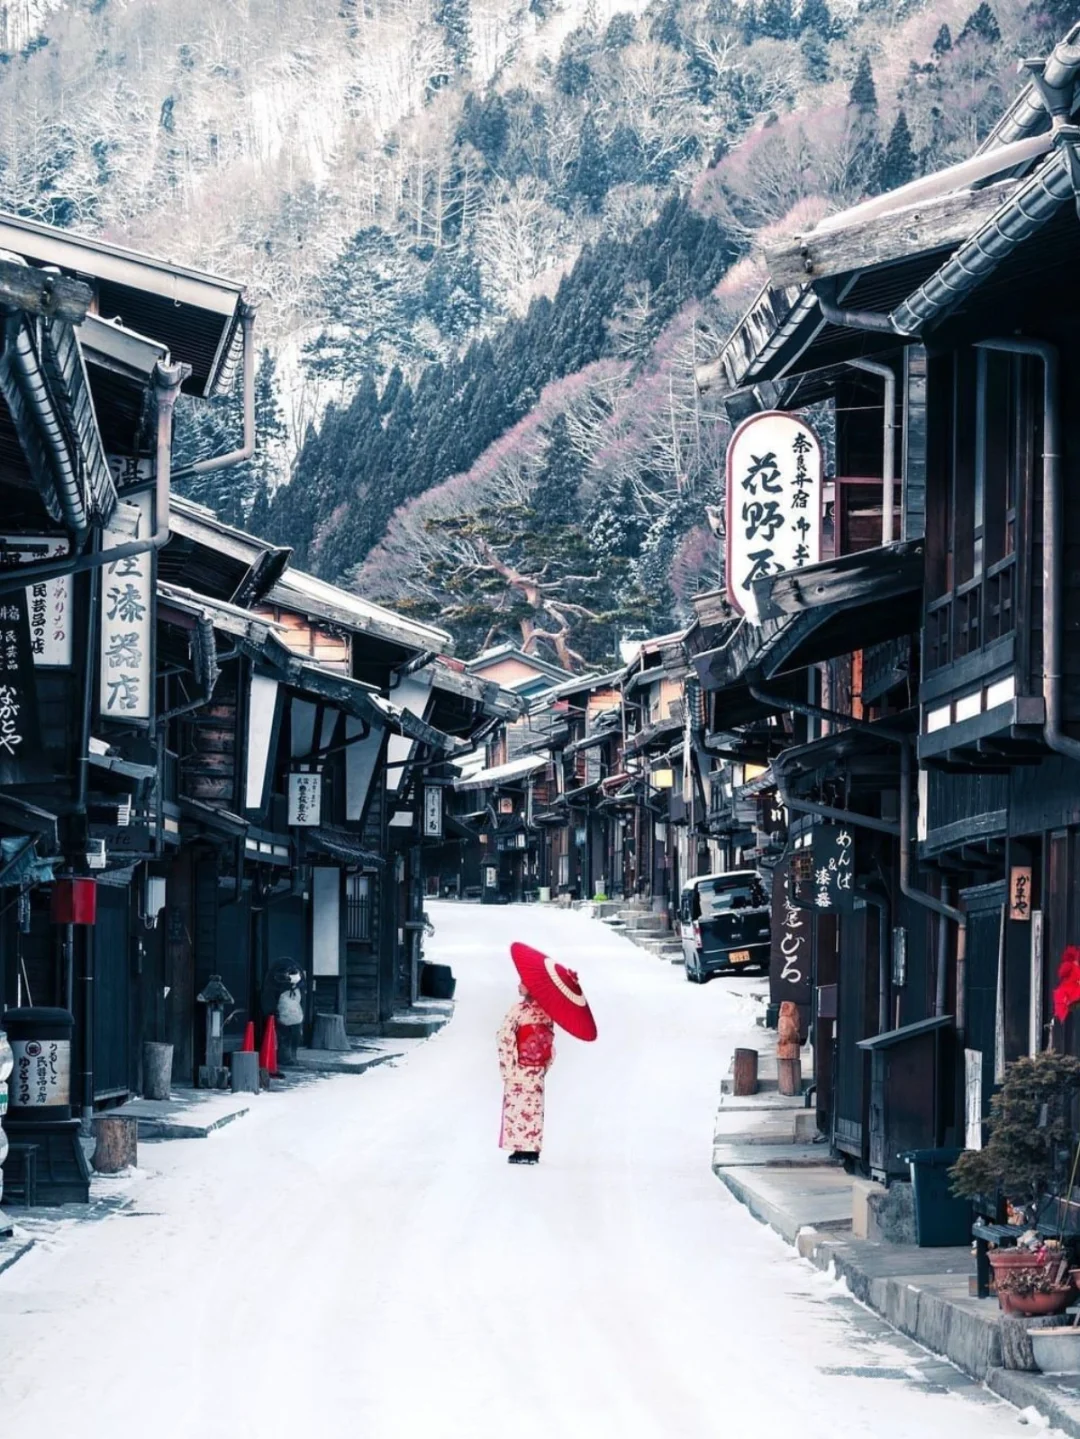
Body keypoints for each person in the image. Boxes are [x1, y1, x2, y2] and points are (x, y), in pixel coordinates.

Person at [496, 982, 556, 1165]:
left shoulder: (518, 1010)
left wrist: (508, 1065)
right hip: (536, 1067)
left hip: (519, 1065)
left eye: (523, 983)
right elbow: (549, 1040)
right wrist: (545, 1064)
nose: (518, 986)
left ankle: (519, 1149)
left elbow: (504, 1036)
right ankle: (532, 1150)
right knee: (533, 1108)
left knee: (517, 1107)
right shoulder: (547, 1012)